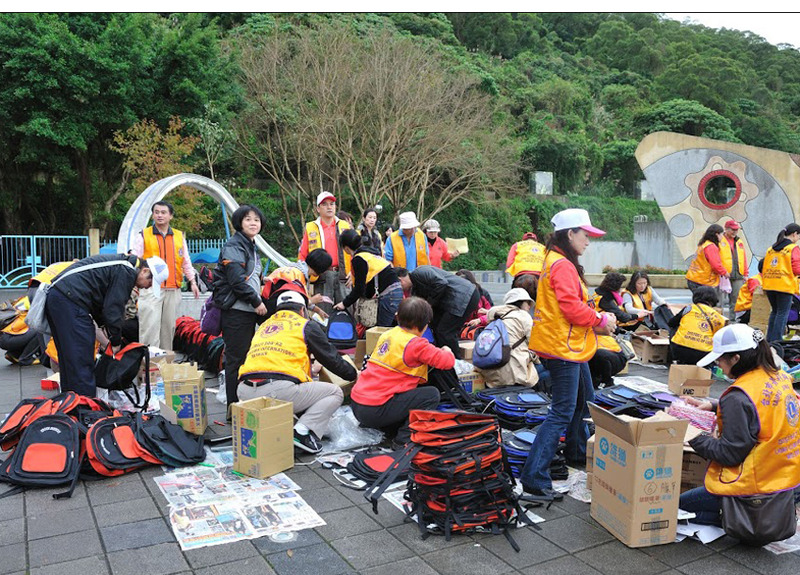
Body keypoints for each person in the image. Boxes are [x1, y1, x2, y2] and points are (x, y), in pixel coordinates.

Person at [520, 208, 616, 502]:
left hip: (568, 344)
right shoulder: (561, 264)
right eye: (585, 235)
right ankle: (534, 478)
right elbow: (572, 308)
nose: (588, 241)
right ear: (570, 234)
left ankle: (576, 452)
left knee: (585, 399)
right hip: (563, 347)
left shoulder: (556, 260)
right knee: (561, 411)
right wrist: (601, 320)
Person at [679, 324, 800, 544]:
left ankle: (740, 520)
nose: (718, 364)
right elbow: (762, 408)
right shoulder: (779, 376)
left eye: (720, 359)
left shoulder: (737, 397)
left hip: (755, 489)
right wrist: (714, 405)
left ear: (735, 359)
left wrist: (693, 436)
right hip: (787, 477)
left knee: (679, 506)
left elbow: (729, 454)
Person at [238, 290, 357, 454]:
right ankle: (302, 432)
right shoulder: (304, 325)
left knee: (299, 390)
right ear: (302, 310)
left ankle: (290, 428)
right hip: (276, 392)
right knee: (334, 392)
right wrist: (354, 374)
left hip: (244, 392)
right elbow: (332, 359)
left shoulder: (264, 326)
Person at [44, 254, 163, 396]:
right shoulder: (126, 271)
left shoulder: (120, 265)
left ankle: (70, 401)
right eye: (150, 282)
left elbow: (102, 302)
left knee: (70, 360)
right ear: (144, 271)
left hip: (60, 297)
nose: (148, 287)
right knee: (82, 358)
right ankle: (85, 405)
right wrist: (116, 342)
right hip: (69, 300)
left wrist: (104, 328)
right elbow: (113, 309)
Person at [350, 297, 455, 447]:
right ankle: (404, 440)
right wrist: (447, 350)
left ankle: (382, 428)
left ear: (397, 317)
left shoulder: (388, 335)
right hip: (375, 409)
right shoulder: (416, 344)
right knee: (431, 394)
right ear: (425, 324)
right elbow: (447, 362)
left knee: (405, 392)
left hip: (357, 404)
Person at [212, 204, 268, 411]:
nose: (253, 223)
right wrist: (256, 301)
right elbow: (236, 281)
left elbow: (249, 275)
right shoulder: (234, 246)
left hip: (247, 309)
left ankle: (243, 403)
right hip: (237, 310)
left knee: (246, 356)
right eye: (248, 219)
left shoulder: (250, 245)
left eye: (256, 219)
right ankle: (233, 408)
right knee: (236, 360)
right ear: (239, 223)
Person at [131, 200, 200, 349]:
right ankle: (149, 361)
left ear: (171, 216)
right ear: (152, 215)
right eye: (156, 212)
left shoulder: (178, 236)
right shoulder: (144, 235)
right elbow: (134, 261)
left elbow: (185, 261)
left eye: (163, 212)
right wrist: (133, 285)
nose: (159, 215)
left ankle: (164, 361)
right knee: (149, 328)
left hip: (172, 288)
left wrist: (193, 282)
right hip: (149, 288)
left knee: (168, 329)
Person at [396, 265, 479, 359]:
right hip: (454, 300)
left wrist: (429, 304)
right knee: (435, 328)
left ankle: (454, 362)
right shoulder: (415, 288)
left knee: (445, 332)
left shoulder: (420, 272)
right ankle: (440, 359)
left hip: (464, 296)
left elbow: (441, 283)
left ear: (400, 280)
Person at [298, 192, 353, 314]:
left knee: (347, 311)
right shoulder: (311, 227)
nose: (329, 207)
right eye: (325, 204)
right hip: (322, 275)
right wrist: (303, 277)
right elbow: (302, 254)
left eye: (332, 204)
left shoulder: (344, 226)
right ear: (318, 208)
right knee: (323, 313)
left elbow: (355, 250)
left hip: (344, 275)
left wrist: (353, 272)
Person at [335, 229, 403, 327]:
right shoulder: (370, 252)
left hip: (388, 294)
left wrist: (344, 304)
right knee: (389, 326)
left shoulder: (359, 259)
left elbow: (359, 288)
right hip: (395, 290)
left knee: (381, 329)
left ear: (346, 248)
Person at [474, 288, 538, 388]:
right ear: (520, 303)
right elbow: (535, 343)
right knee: (547, 371)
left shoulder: (495, 317)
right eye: (527, 303)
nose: (529, 306)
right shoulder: (523, 316)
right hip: (513, 373)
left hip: (489, 372)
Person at [668, 286, 727, 365]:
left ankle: (676, 358)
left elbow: (671, 323)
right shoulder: (718, 317)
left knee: (675, 327)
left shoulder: (689, 308)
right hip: (704, 354)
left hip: (679, 349)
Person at [761, 223, 800, 342]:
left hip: (769, 285)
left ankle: (770, 340)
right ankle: (777, 341)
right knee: (782, 313)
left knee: (775, 312)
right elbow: (797, 269)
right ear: (794, 234)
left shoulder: (771, 249)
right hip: (784, 285)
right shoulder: (792, 248)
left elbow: (764, 267)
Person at [261, 258, 331, 320]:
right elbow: (292, 303)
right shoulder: (298, 276)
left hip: (264, 305)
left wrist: (318, 310)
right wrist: (311, 301)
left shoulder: (292, 268)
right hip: (271, 312)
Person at [719, 219, 749, 320]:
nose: (735, 232)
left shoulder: (739, 241)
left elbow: (743, 258)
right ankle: (720, 321)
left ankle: (733, 320)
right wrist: (721, 271)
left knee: (736, 300)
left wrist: (745, 273)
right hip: (723, 275)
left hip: (738, 275)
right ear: (726, 229)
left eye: (736, 230)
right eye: (732, 229)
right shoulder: (720, 240)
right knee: (719, 301)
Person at [686, 224, 727, 295]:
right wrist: (725, 273)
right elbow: (716, 265)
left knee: (699, 300)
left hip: (694, 278)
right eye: (722, 234)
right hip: (703, 280)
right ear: (717, 235)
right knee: (706, 300)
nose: (722, 237)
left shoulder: (704, 244)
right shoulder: (711, 247)